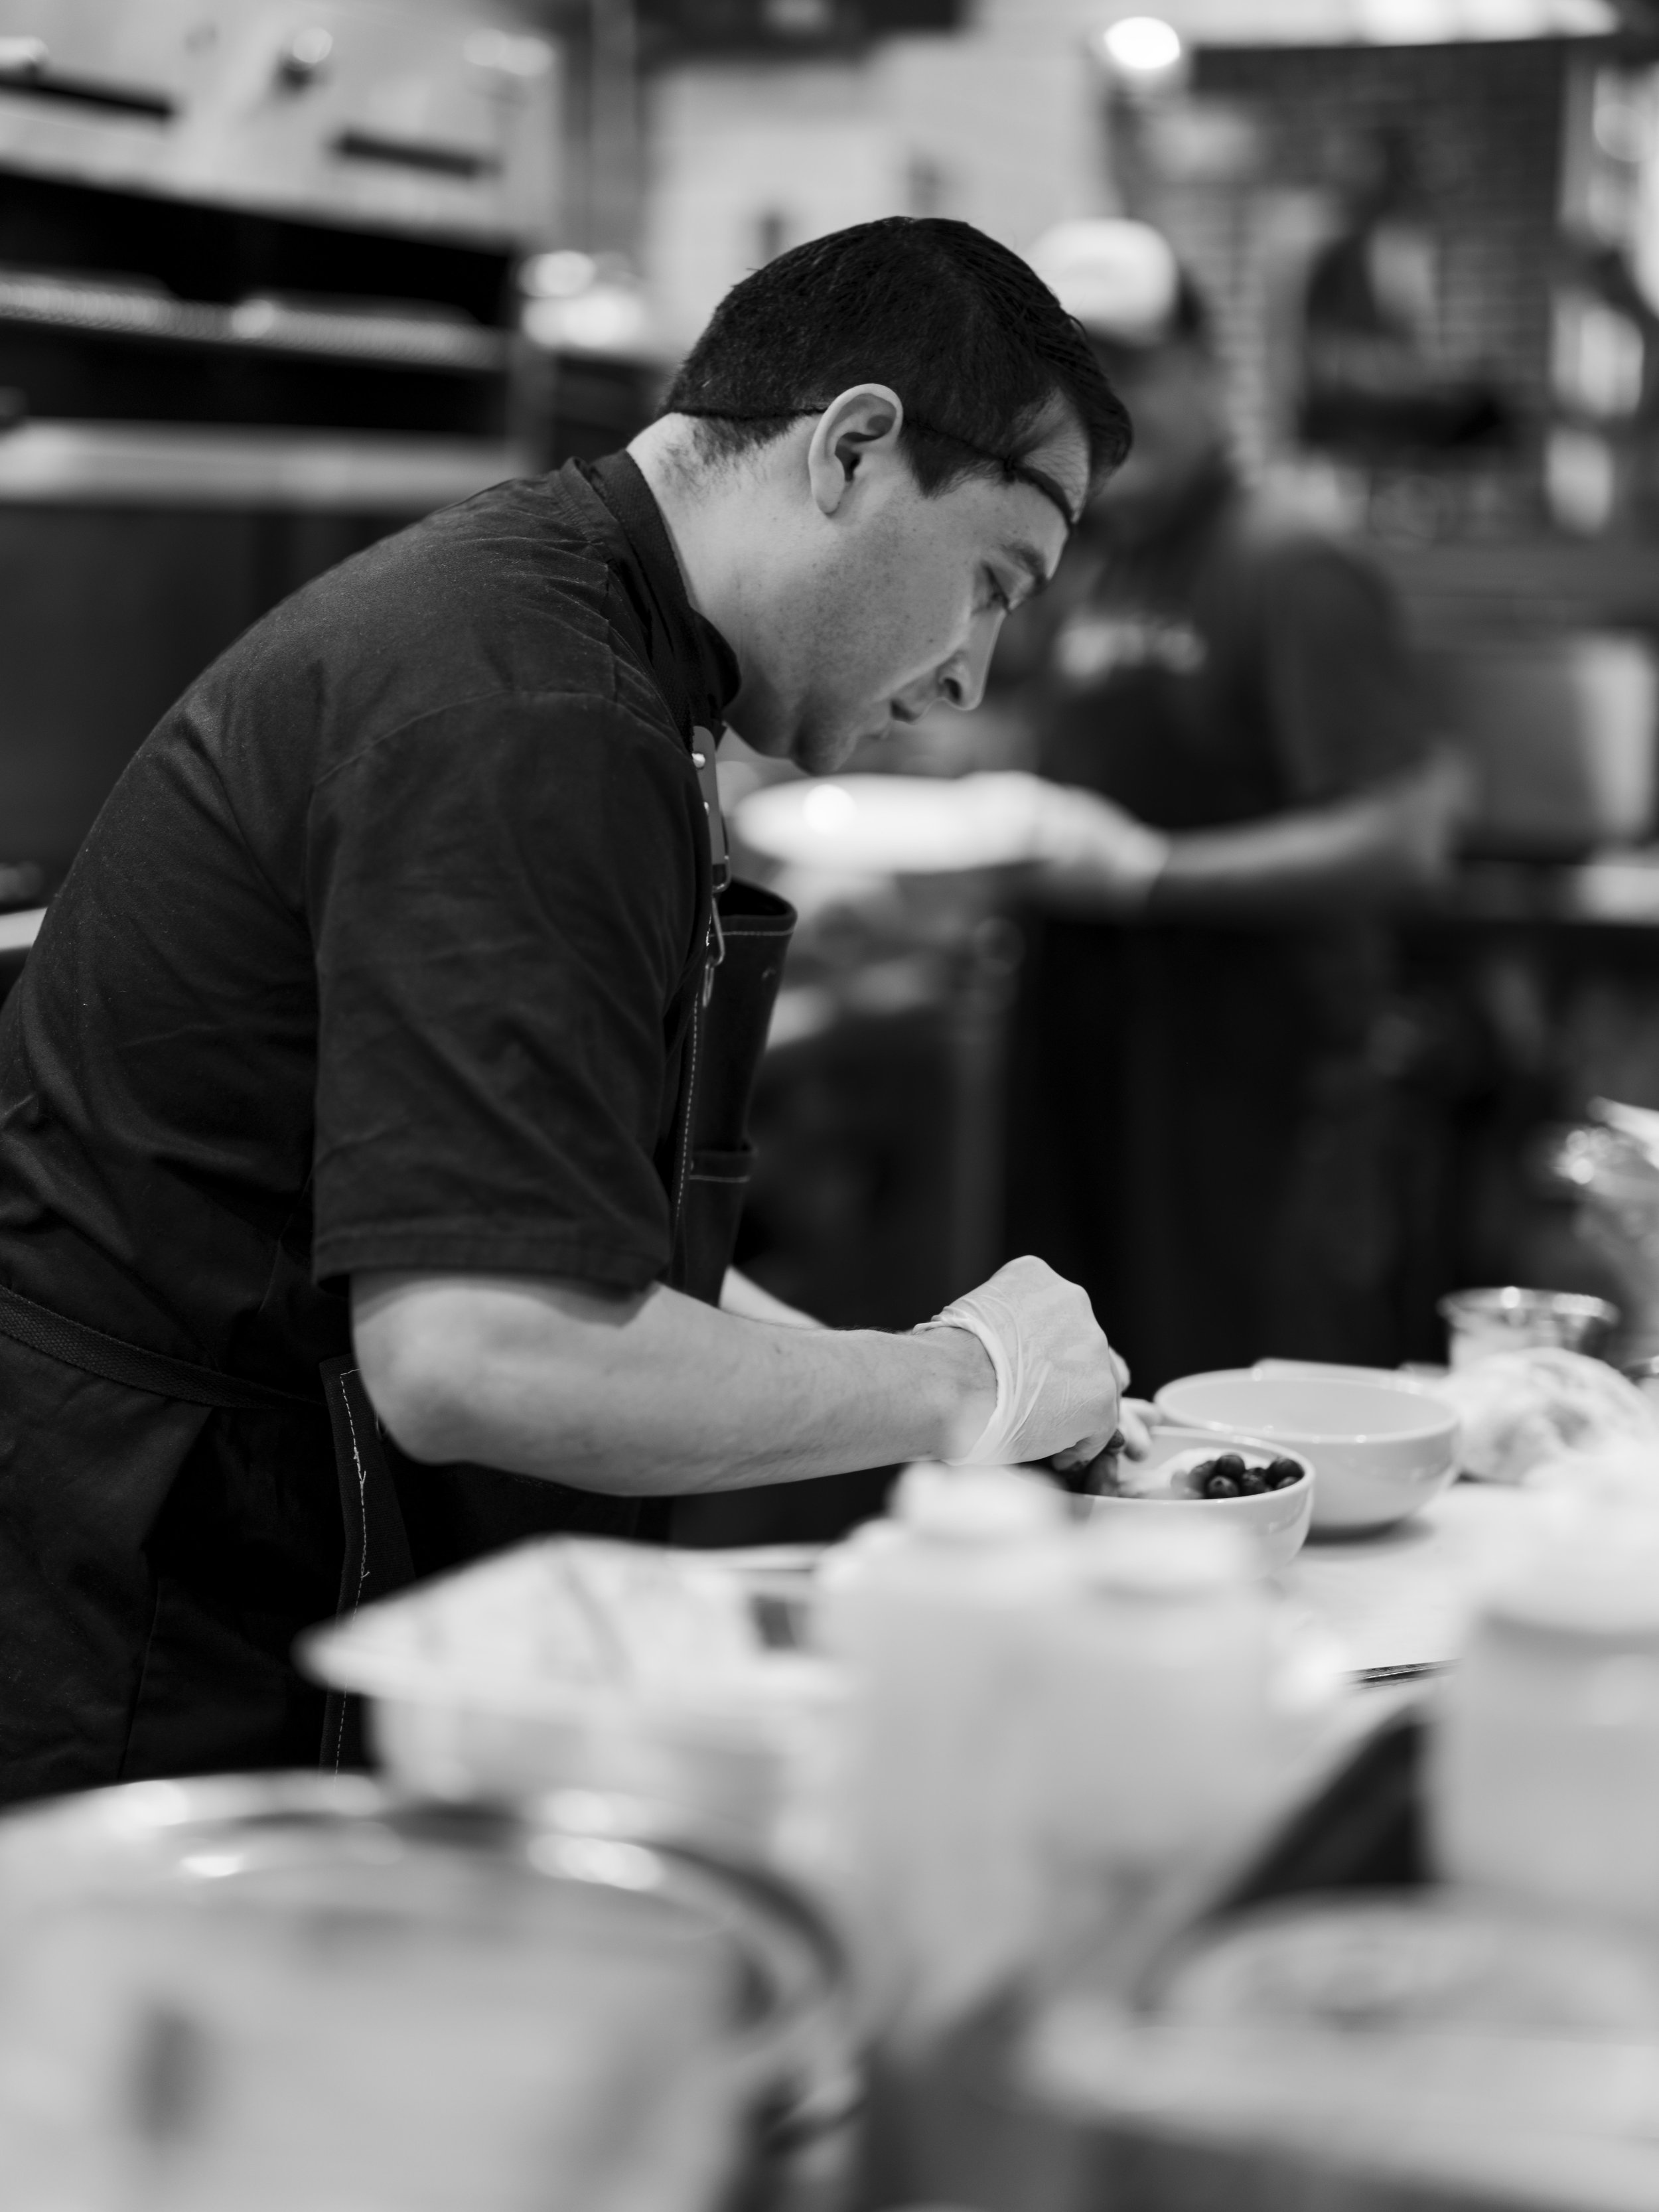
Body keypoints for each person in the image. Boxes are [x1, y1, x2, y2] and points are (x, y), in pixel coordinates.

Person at [0, 218, 1135, 1805]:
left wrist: (939, 1382)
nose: (966, 677)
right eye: (991, 585)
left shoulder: (576, 635)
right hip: (159, 1635)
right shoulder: (534, 710)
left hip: (211, 1564)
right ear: (854, 450)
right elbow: (486, 1347)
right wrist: (959, 1382)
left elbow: (535, 1220)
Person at [1003, 219, 1465, 1392]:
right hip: (1103, 1053)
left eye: (1132, 369)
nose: (1102, 407)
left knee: (1254, 1409)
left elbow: (1406, 834)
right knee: (1115, 1409)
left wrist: (1152, 873)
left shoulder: (1288, 561)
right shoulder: (1097, 553)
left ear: (1210, 370)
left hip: (1260, 1078)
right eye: (1068, 380)